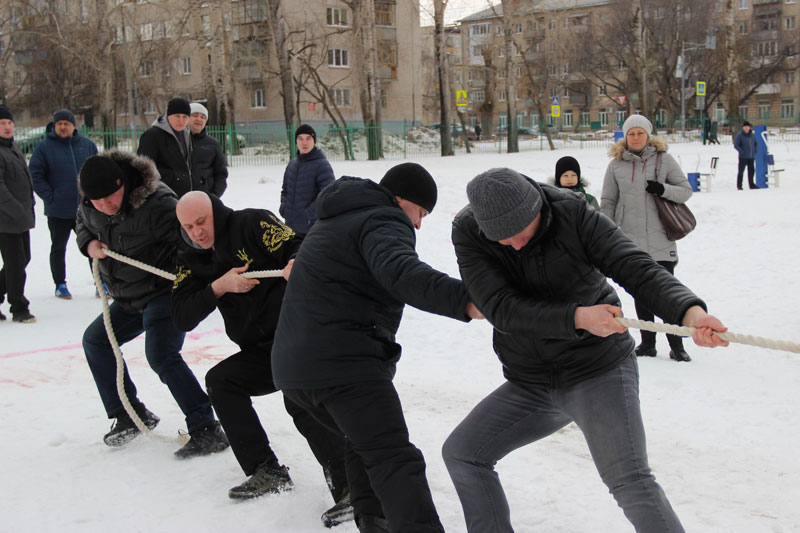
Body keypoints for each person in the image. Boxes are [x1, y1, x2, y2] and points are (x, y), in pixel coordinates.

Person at [445, 167, 729, 532]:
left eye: (519, 233)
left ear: (537, 209)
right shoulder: (469, 230)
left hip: (597, 370)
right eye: (502, 239)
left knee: (630, 481)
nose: (514, 244)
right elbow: (500, 307)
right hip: (530, 379)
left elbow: (635, 267)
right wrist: (578, 317)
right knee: (464, 455)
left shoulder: (573, 213)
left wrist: (691, 312)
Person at [271, 163, 483, 533]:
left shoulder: (334, 219)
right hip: (343, 366)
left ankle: (375, 523)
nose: (418, 225)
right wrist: (468, 300)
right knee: (395, 460)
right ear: (403, 200)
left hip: (294, 371)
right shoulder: (382, 218)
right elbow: (401, 271)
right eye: (420, 213)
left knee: (363, 443)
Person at [172, 191, 352, 527]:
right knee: (222, 382)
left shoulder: (251, 222)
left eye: (201, 222)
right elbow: (181, 316)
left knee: (297, 399)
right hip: (258, 348)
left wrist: (296, 262)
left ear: (215, 212)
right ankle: (265, 469)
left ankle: (349, 486)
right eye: (188, 227)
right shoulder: (189, 257)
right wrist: (218, 287)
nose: (197, 232)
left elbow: (298, 243)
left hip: (297, 333)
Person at [76, 150, 228, 457]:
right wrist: (88, 244)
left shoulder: (158, 203)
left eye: (111, 196)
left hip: (165, 290)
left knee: (160, 353)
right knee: (95, 341)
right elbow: (83, 224)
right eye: (97, 200)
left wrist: (196, 283)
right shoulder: (90, 204)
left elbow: (192, 242)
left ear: (124, 183)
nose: (105, 205)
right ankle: (130, 414)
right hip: (128, 294)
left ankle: (206, 427)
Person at [600, 114, 694, 362]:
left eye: (640, 133)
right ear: (625, 137)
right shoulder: (616, 165)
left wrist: (663, 189)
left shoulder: (664, 160)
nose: (636, 137)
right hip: (629, 241)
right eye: (631, 133)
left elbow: (685, 191)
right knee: (641, 294)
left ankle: (677, 345)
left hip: (660, 239)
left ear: (648, 135)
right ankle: (648, 343)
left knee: (666, 293)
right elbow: (608, 202)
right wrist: (606, 233)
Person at [29, 109, 98, 300]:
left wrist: (94, 198)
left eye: (67, 123)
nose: (63, 127)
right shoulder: (44, 148)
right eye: (59, 123)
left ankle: (101, 283)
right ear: (54, 126)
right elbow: (35, 175)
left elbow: (98, 172)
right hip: (58, 210)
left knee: (94, 247)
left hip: (85, 210)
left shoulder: (87, 145)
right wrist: (51, 197)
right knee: (58, 248)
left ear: (74, 126)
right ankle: (60, 284)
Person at [0, 104, 36, 323]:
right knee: (15, 263)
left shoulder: (11, 147)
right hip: (6, 219)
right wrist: (16, 210)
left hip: (20, 217)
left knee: (23, 259)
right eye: (2, 123)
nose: (7, 127)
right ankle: (19, 307)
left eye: (9, 122)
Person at [279, 124, 334, 234]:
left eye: (308, 138)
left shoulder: (322, 165)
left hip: (312, 229)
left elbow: (327, 195)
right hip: (290, 228)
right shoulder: (292, 164)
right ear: (296, 142)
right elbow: (285, 190)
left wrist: (308, 215)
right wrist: (284, 208)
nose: (304, 143)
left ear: (314, 141)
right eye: (300, 139)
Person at [137, 97, 193, 197]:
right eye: (177, 116)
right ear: (168, 115)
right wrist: (173, 177)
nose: (181, 120)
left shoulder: (186, 134)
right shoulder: (152, 135)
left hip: (183, 195)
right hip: (161, 194)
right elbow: (143, 167)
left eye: (185, 117)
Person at [188, 102, 228, 197]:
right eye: (195, 115)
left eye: (203, 117)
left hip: (204, 199)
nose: (199, 119)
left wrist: (213, 196)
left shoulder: (213, 144)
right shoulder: (176, 141)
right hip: (177, 200)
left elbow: (221, 174)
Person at [734, 120, 758, 190]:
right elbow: (736, 145)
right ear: (743, 127)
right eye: (745, 127)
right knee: (741, 171)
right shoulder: (739, 135)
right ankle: (739, 185)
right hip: (743, 157)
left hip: (751, 156)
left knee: (751, 171)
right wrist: (742, 152)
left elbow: (755, 144)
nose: (747, 128)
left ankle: (751, 184)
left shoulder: (752, 135)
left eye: (748, 127)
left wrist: (755, 151)